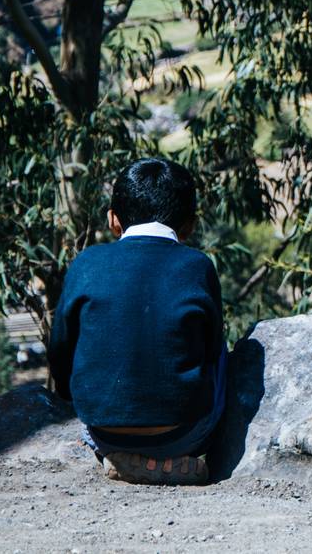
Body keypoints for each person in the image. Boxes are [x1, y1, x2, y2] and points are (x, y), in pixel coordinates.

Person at [48, 157, 226, 485]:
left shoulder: (87, 263)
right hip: (185, 434)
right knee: (226, 354)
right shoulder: (197, 266)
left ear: (113, 220)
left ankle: (121, 458)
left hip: (102, 431)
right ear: (190, 225)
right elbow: (212, 348)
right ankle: (170, 461)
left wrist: (68, 398)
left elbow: (60, 349)